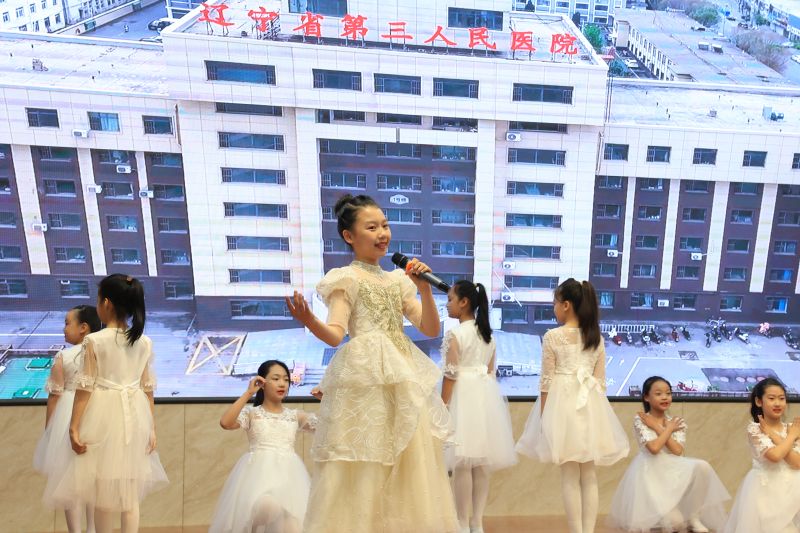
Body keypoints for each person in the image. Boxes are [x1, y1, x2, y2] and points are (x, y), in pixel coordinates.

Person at [286, 194, 458, 533]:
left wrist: (424, 290)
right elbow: (335, 334)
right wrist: (309, 320)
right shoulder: (346, 278)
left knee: (409, 455)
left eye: (385, 225)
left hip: (402, 372)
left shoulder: (398, 280)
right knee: (365, 456)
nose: (382, 233)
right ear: (349, 236)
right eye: (372, 227)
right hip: (365, 378)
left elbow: (430, 328)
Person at [50, 274, 168, 533]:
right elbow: (147, 389)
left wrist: (74, 427)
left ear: (106, 303)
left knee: (102, 492)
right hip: (135, 417)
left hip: (102, 417)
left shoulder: (95, 340)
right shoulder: (144, 341)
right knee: (130, 495)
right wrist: (151, 428)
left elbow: (85, 388)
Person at [516, 278, 629, 533]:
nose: (554, 308)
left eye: (555, 303)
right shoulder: (595, 337)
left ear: (566, 305)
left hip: (563, 408)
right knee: (589, 474)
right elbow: (600, 384)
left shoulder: (553, 336)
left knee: (569, 474)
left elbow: (546, 383)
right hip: (590, 407)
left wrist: (544, 420)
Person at [441, 280, 517, 533]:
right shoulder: (488, 335)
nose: (447, 304)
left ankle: (462, 523)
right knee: (481, 463)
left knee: (462, 462)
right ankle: (477, 523)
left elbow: (450, 375)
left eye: (450, 299)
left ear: (464, 303)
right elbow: (490, 372)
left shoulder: (456, 334)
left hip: (463, 397)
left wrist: (442, 407)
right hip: (485, 398)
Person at [608, 376, 729, 532]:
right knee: (676, 524)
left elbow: (677, 451)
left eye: (668, 393)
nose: (665, 397)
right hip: (651, 475)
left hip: (672, 471)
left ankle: (694, 516)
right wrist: (667, 429)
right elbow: (654, 448)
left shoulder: (676, 422)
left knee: (703, 466)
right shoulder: (641, 419)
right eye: (658, 394)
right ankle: (665, 514)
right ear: (646, 397)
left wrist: (661, 427)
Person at [209, 360, 315, 533]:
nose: (282, 384)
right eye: (276, 378)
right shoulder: (252, 413)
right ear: (262, 383)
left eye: (286, 379)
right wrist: (249, 393)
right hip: (257, 478)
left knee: (293, 524)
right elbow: (226, 422)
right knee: (268, 506)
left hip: (289, 480)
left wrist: (327, 400)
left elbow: (329, 428)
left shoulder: (296, 416)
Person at [34, 305, 102, 533]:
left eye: (67, 323)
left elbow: (55, 396)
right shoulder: (102, 353)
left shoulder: (64, 356)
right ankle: (93, 529)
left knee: (69, 480)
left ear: (84, 328)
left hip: (69, 416)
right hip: (99, 414)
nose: (63, 329)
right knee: (95, 479)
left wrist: (50, 431)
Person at [723, 377, 800, 533]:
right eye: (771, 398)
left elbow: (797, 462)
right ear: (759, 402)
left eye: (782, 398)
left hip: (792, 488)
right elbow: (775, 456)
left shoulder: (792, 428)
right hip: (765, 489)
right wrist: (791, 437)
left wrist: (774, 434)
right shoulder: (755, 429)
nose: (777, 403)